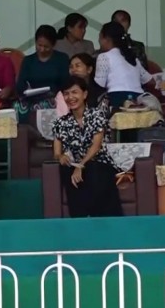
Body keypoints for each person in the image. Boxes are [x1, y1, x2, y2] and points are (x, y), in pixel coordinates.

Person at [52, 76, 122, 218]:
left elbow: (96, 147)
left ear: (84, 94)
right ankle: (79, 219)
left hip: (100, 163)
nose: (70, 97)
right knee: (65, 169)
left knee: (92, 169)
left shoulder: (97, 115)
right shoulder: (60, 123)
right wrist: (61, 157)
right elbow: (56, 152)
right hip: (76, 166)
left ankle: (98, 219)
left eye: (74, 92)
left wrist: (81, 166)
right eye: (66, 93)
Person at [15, 25, 70, 121]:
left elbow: (65, 82)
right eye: (39, 45)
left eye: (46, 46)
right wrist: (26, 90)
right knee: (17, 107)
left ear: (53, 45)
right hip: (31, 98)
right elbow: (21, 83)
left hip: (53, 98)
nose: (42, 49)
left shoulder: (62, 59)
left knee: (44, 105)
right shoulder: (28, 60)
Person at [95, 21, 153, 109]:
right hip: (138, 98)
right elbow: (150, 81)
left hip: (117, 98)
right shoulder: (132, 57)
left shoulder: (104, 56)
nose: (99, 41)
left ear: (107, 39)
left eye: (100, 37)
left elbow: (100, 84)